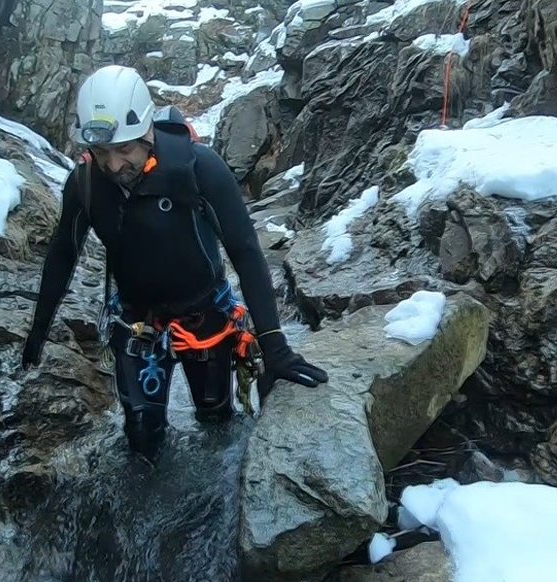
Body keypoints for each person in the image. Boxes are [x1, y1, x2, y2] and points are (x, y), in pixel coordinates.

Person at [21, 65, 328, 463]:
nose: (113, 166)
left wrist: (275, 347)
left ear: (147, 132)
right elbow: (63, 254)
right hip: (136, 321)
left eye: (124, 149)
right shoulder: (85, 184)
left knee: (216, 424)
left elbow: (246, 252)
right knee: (141, 437)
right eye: (101, 152)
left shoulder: (199, 168)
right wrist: (38, 330)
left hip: (205, 316)